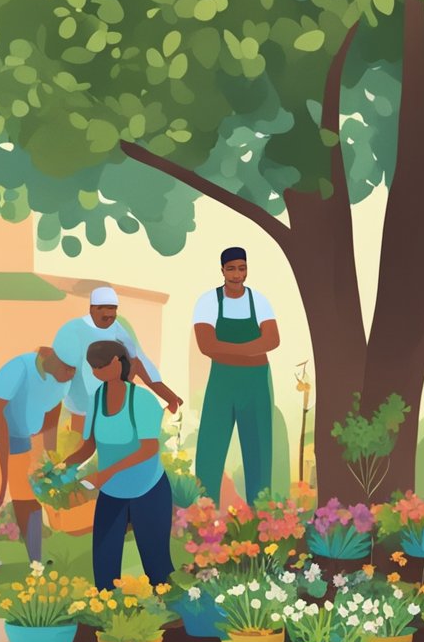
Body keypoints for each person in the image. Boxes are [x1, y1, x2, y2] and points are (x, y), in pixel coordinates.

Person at [60, 341, 175, 591]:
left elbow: (148, 449)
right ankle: (107, 619)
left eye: (100, 366)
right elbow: (88, 446)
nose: (95, 372)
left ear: (116, 362)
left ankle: (170, 620)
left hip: (149, 490)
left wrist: (106, 473)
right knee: (104, 565)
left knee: (158, 567)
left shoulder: (141, 399)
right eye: (92, 367)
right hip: (113, 493)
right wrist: (62, 469)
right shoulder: (96, 399)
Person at [0, 342, 78, 572]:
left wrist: (50, 461)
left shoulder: (64, 379)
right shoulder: (19, 368)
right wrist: (4, 476)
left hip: (18, 428)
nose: (72, 374)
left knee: (26, 493)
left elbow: (51, 420)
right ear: (54, 359)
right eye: (68, 368)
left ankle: (35, 562)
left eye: (75, 370)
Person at [193, 247, 280, 506]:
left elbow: (273, 339)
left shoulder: (259, 301)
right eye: (231, 268)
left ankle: (261, 516)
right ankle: (203, 515)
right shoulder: (208, 301)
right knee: (210, 446)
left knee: (259, 450)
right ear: (222, 270)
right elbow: (206, 345)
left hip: (255, 385)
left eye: (242, 268)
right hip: (222, 383)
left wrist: (228, 351)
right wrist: (251, 350)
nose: (237, 274)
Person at [55, 286, 181, 435]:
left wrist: (170, 399)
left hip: (112, 396)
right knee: (82, 436)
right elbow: (61, 368)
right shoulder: (73, 329)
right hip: (81, 401)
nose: (109, 315)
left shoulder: (116, 327)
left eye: (112, 309)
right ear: (92, 309)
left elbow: (135, 356)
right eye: (103, 309)